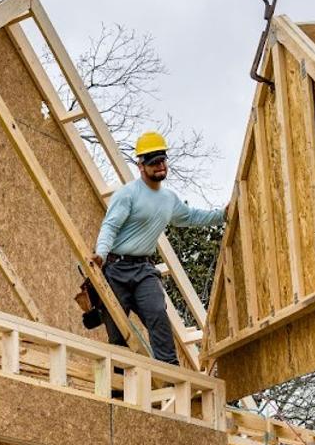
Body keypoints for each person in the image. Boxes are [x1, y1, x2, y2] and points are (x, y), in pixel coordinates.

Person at [86, 131, 225, 365]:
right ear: (141, 166)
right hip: (116, 269)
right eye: (153, 163)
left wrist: (222, 215)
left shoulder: (168, 199)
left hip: (143, 270)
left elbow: (190, 217)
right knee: (118, 330)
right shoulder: (128, 194)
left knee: (158, 314)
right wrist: (100, 254)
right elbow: (110, 226)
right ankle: (120, 386)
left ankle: (170, 374)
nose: (160, 166)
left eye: (162, 161)